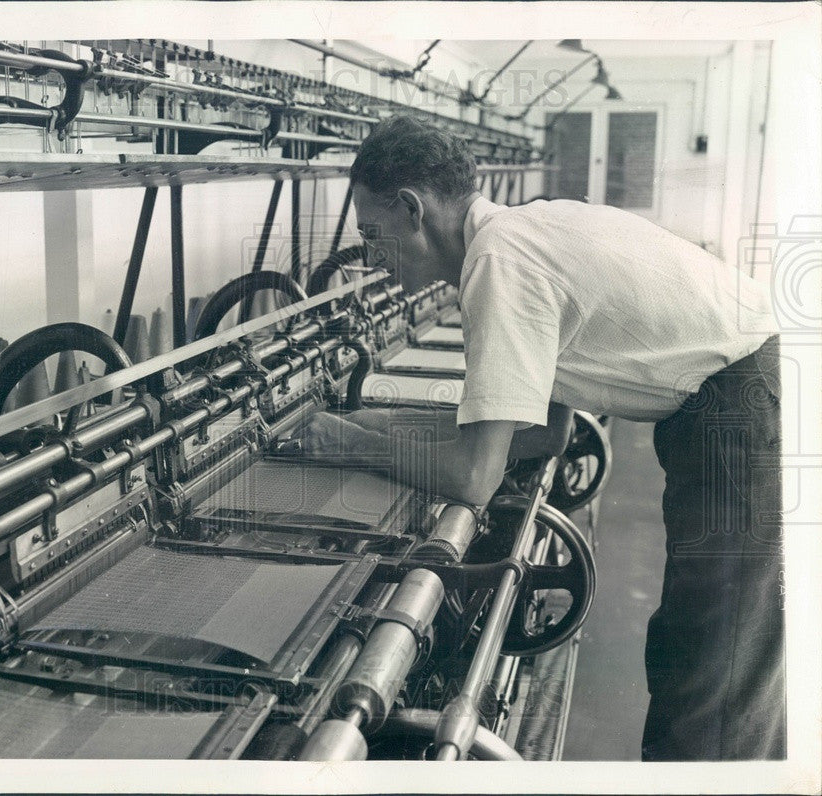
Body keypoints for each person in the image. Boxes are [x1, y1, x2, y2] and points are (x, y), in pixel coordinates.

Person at [297, 115, 784, 761]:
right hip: (744, 396)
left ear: (412, 209)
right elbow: (542, 434)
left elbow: (476, 475)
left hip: (741, 413)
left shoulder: (499, 264)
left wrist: (342, 444)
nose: (374, 255)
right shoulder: (524, 230)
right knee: (707, 647)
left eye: (372, 232)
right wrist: (381, 424)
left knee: (716, 663)